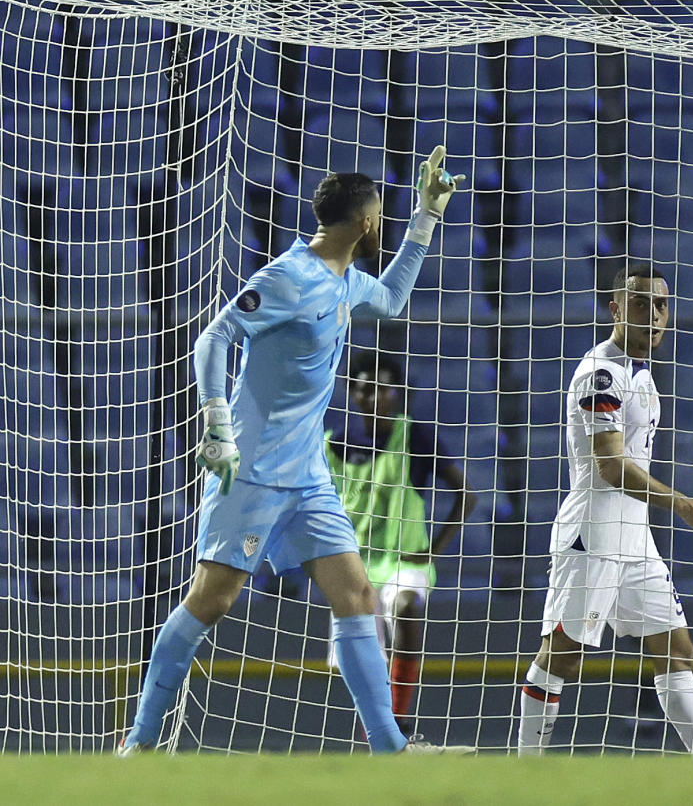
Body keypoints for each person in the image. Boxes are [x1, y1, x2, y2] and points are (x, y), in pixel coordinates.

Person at [118, 146, 467, 756]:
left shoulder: (345, 279)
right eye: (383, 213)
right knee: (212, 598)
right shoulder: (287, 276)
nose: (382, 221)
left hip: (307, 473)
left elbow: (390, 301)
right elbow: (215, 336)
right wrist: (218, 426)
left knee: (357, 594)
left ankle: (391, 748)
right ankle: (141, 742)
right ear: (364, 222)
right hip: (251, 468)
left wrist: (425, 220)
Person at [515, 263, 693, 757]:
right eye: (641, 304)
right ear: (615, 309)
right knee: (562, 657)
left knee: (677, 650)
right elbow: (611, 467)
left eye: (661, 304)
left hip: (635, 536)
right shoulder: (601, 374)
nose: (654, 315)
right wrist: (680, 502)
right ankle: (523, 768)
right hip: (593, 533)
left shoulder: (642, 376)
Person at [325, 349, 478, 735]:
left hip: (406, 560)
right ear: (352, 393)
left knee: (407, 608)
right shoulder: (334, 445)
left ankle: (398, 719)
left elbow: (467, 494)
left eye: (384, 389)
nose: (375, 398)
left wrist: (434, 550)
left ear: (397, 394)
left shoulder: (414, 434)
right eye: (365, 390)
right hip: (353, 565)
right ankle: (381, 730)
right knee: (360, 657)